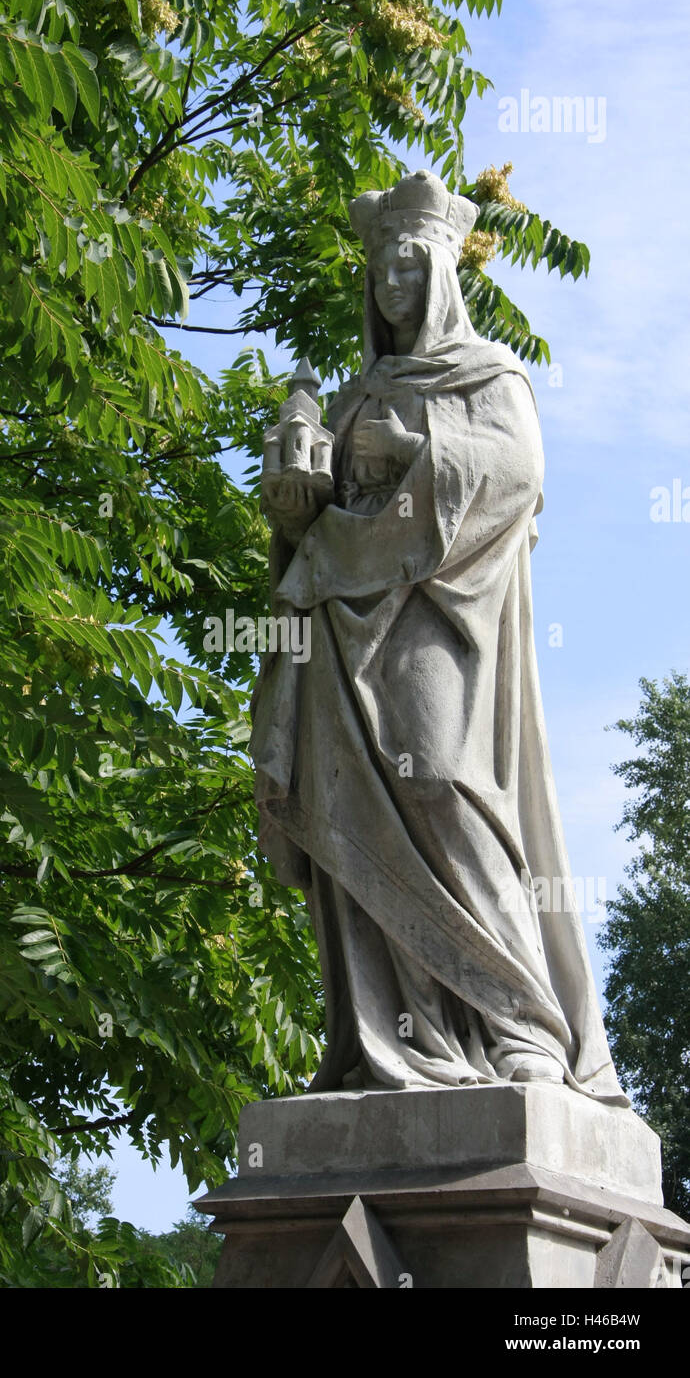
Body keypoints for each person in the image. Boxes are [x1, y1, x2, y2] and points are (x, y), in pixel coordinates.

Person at [253, 169, 627, 1103]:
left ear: (440, 277)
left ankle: (522, 1027)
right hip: (339, 630)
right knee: (350, 815)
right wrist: (296, 493)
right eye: (378, 271)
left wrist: (417, 454)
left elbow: (517, 477)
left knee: (449, 790)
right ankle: (397, 1039)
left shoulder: (490, 377)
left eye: (406, 268)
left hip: (438, 619)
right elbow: (302, 517)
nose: (389, 286)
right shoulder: (346, 394)